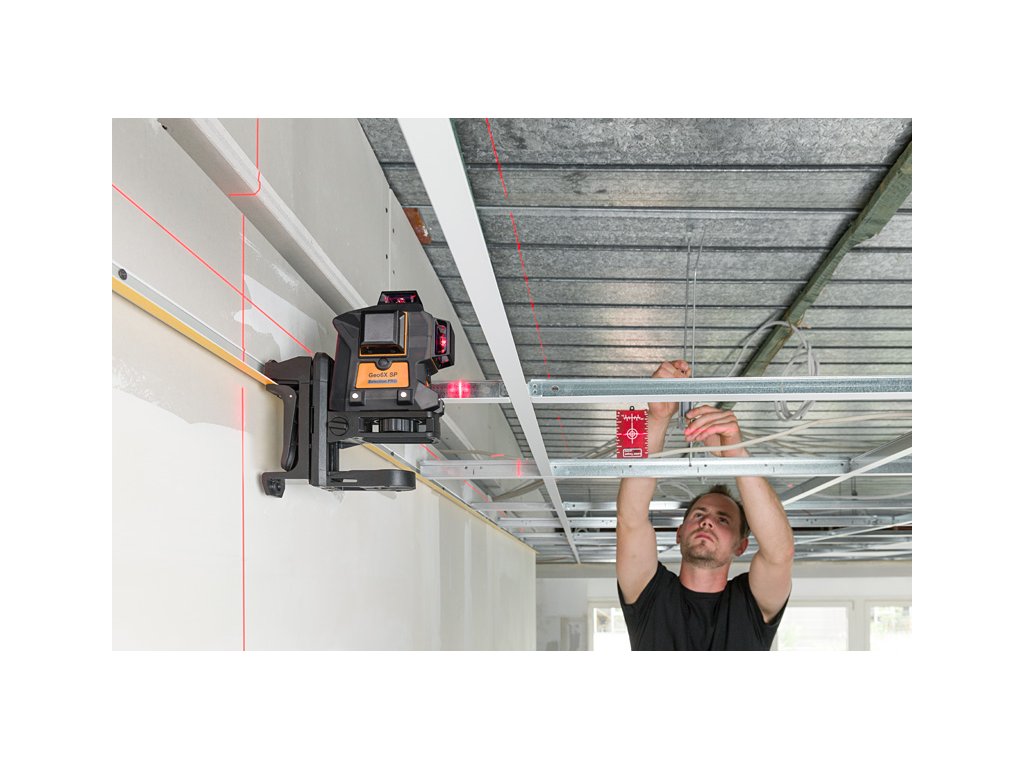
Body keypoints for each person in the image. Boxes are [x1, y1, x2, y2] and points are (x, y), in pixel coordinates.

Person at [616, 360, 794, 650]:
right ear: (679, 533)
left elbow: (780, 553)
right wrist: (657, 417)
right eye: (699, 514)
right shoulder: (649, 594)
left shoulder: (752, 605)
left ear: (741, 546)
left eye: (723, 519)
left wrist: (736, 452)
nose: (707, 521)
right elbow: (630, 518)